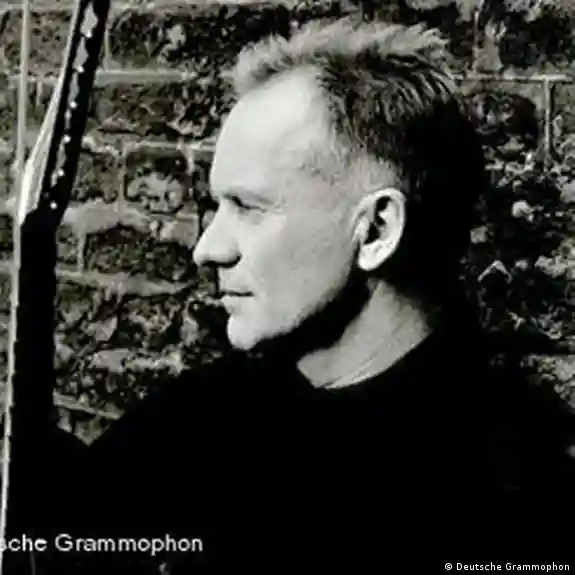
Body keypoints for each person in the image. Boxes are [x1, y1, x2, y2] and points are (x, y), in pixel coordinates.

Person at [10, 16, 575, 574]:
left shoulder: (504, 493)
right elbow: (77, 529)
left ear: (376, 230)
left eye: (249, 207)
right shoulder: (209, 411)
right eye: (217, 206)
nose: (207, 249)